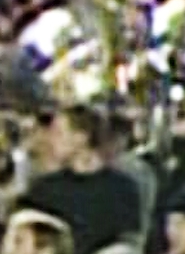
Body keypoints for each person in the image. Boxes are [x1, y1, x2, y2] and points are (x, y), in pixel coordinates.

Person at [20, 108, 145, 254]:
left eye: (58, 133)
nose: (50, 140)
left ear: (81, 137)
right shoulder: (43, 190)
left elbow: (129, 243)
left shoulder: (123, 189)